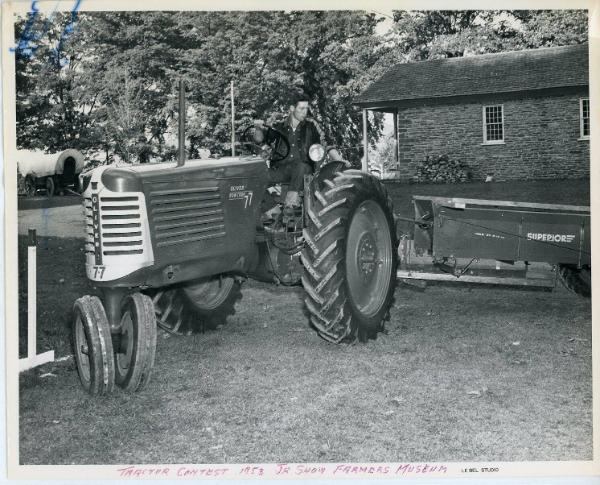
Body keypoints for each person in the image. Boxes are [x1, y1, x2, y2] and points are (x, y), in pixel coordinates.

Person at [256, 94, 323, 214]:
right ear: (292, 109)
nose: (305, 112)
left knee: (302, 166)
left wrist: (339, 159)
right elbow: (259, 139)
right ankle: (273, 211)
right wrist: (258, 128)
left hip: (302, 169)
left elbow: (325, 144)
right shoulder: (278, 127)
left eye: (306, 108)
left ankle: (290, 206)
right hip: (281, 169)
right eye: (301, 108)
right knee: (255, 178)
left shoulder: (311, 126)